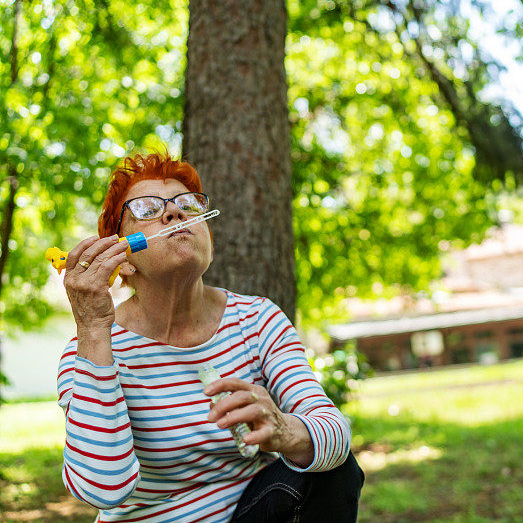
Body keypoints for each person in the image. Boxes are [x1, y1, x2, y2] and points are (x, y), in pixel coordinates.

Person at [56, 151, 364, 522]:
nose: (174, 214)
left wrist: (284, 431)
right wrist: (91, 328)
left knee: (334, 470)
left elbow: (334, 431)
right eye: (148, 208)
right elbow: (102, 489)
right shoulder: (90, 349)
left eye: (187, 204)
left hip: (252, 513)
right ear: (120, 257)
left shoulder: (257, 320)